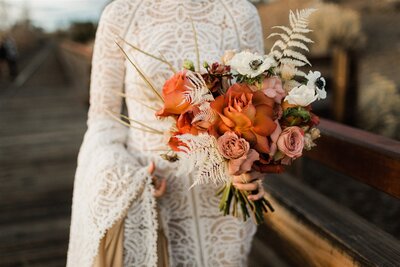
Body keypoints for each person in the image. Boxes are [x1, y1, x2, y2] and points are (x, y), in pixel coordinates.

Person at [67, 0, 267, 266]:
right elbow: (104, 120)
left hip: (223, 203)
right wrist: (128, 178)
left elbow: (259, 106)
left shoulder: (241, 14)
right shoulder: (120, 14)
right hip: (152, 196)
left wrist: (255, 163)